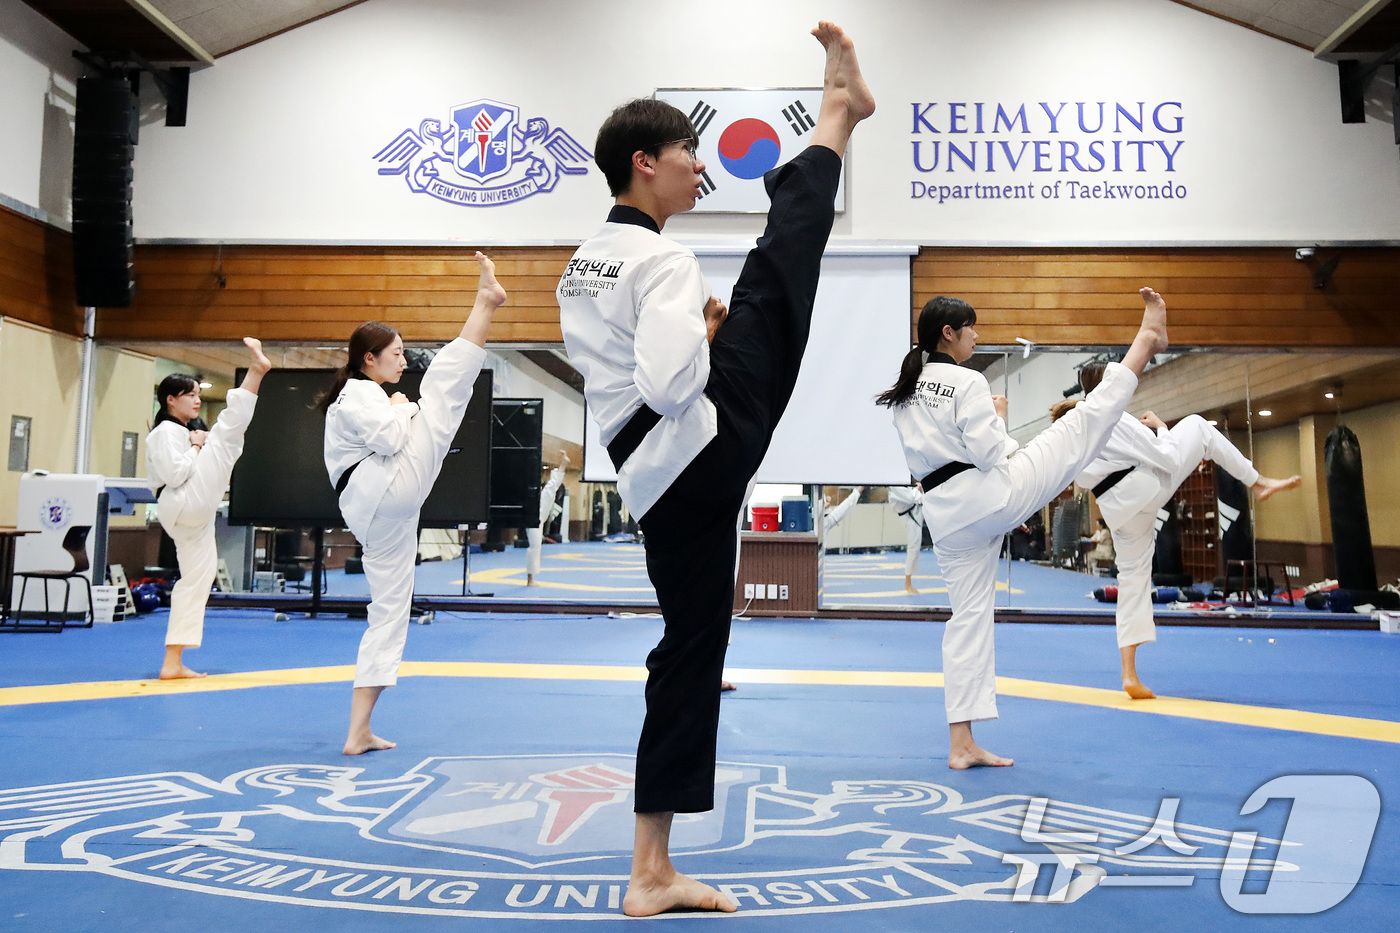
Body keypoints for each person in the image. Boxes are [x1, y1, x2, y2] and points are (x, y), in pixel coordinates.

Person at [555, 22, 874, 917]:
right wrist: (703, 338)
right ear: (646, 162)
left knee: (690, 647)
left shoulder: (584, 264)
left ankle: (650, 868)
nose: (701, 167)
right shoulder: (662, 256)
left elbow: (622, 371)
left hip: (653, 475)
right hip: (698, 444)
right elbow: (667, 377)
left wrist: (697, 341)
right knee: (777, 277)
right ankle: (836, 122)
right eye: (691, 152)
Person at [879, 288, 1169, 770]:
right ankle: (1145, 342)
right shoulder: (967, 382)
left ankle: (962, 743)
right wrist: (996, 418)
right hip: (991, 497)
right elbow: (991, 453)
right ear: (948, 333)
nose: (976, 334)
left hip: (946, 517)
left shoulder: (906, 388)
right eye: (970, 327)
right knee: (1078, 428)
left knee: (967, 620)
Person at [321, 252, 505, 756]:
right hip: (381, 490)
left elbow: (387, 434)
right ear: (369, 360)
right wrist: (404, 409)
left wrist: (403, 410)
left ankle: (359, 728)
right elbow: (384, 436)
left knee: (390, 611)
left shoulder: (368, 395)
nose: (403, 360)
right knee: (442, 396)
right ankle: (485, 304)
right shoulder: (358, 394)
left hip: (379, 509)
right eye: (396, 353)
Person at [1051, 367, 1301, 699]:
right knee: (1198, 427)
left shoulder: (1068, 432)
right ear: (1111, 387)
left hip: (1117, 510)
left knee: (1132, 580)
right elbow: (1166, 458)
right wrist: (1162, 429)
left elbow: (1080, 481)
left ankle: (1129, 673)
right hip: (1144, 491)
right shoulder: (1109, 416)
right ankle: (1257, 482)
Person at [146, 338, 272, 679]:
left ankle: (172, 661)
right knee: (226, 437)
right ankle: (256, 374)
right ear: (170, 399)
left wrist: (196, 443)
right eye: (190, 395)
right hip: (181, 501)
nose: (197, 400)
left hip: (190, 515)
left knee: (198, 580)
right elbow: (175, 474)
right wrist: (197, 447)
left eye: (198, 395)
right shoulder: (165, 431)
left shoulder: (181, 431)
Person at [526, 450, 569, 585]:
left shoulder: (540, 493)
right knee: (535, 545)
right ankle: (530, 578)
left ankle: (563, 464)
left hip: (537, 514)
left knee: (552, 487)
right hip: (533, 516)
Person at [888, 484, 925, 593]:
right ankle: (907, 583)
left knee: (915, 547)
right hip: (909, 516)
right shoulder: (895, 486)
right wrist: (918, 488)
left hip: (915, 511)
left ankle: (908, 582)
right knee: (913, 547)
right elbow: (912, 497)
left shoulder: (901, 483)